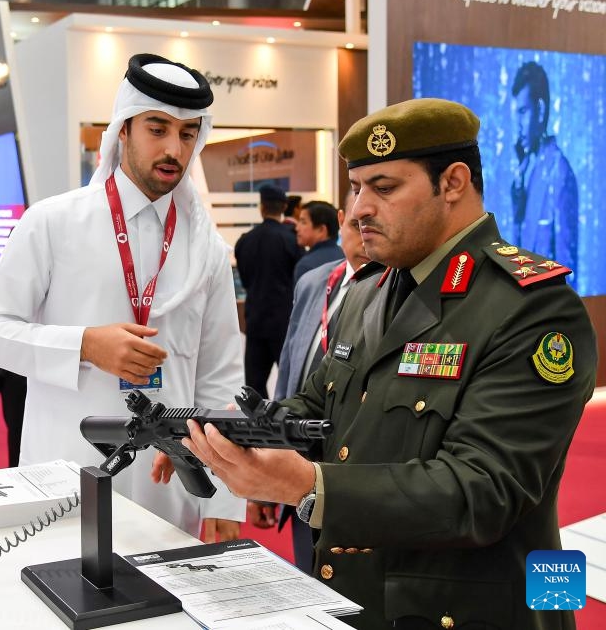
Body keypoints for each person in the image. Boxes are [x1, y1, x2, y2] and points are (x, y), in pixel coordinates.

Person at [180, 98, 595, 630]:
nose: (357, 211)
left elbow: (483, 491)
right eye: (356, 188)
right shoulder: (368, 292)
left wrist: (310, 486)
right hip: (354, 599)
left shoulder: (533, 307)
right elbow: (316, 408)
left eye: (384, 187)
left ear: (453, 182)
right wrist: (219, 436)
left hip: (467, 611)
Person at [0, 53, 245, 540]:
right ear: (123, 130)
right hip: (65, 479)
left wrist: (225, 496)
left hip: (172, 487)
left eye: (187, 134)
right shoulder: (52, 222)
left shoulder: (207, 248)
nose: (174, 150)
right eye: (157, 129)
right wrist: (85, 346)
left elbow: (221, 375)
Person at [256, 190, 373, 573]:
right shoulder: (314, 282)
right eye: (355, 224)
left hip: (356, 484)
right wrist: (265, 444)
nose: (365, 234)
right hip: (295, 469)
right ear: (340, 221)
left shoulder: (398, 293)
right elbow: (289, 373)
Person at [234, 185, 301, 398]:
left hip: (255, 319)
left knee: (254, 385)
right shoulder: (292, 239)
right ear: (283, 207)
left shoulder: (245, 240)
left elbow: (244, 279)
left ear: (261, 208)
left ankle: (260, 427)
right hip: (285, 321)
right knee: (293, 381)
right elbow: (300, 280)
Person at [511, 61, 578, 275]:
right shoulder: (529, 170)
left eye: (523, 111)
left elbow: (567, 267)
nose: (518, 123)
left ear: (539, 110)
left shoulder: (559, 173)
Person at [293, 200, 342, 282]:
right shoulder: (346, 258)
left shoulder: (306, 265)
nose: (297, 228)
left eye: (303, 222)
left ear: (321, 230)